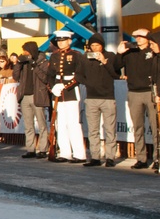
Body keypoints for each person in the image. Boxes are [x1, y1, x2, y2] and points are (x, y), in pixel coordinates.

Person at [116, 28, 160, 169]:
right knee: (138, 127)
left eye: (141, 36)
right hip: (134, 92)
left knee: (155, 126)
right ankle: (141, 158)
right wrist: (119, 53)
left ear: (148, 38)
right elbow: (115, 67)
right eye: (136, 36)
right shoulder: (130, 52)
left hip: (150, 91)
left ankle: (157, 158)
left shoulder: (153, 51)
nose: (138, 38)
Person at [46, 29, 86, 164]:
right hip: (57, 92)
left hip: (70, 92)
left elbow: (79, 75)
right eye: (59, 41)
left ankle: (79, 154)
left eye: (63, 41)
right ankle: (65, 152)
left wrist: (66, 86)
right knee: (60, 124)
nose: (61, 43)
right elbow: (50, 75)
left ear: (69, 41)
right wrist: (52, 88)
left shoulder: (76, 55)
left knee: (73, 123)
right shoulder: (54, 56)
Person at [81, 32, 120, 167]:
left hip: (107, 97)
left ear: (102, 46)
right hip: (91, 97)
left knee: (110, 128)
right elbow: (79, 74)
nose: (95, 48)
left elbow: (115, 74)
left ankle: (110, 157)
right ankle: (95, 157)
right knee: (93, 129)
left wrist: (104, 61)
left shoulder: (110, 56)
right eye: (92, 45)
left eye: (97, 45)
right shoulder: (85, 57)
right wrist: (88, 83)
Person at [13, 41, 50, 158]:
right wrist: (18, 63)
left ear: (32, 51)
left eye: (26, 51)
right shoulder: (23, 62)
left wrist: (34, 65)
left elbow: (45, 78)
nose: (24, 53)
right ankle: (30, 149)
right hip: (25, 96)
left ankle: (43, 149)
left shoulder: (42, 60)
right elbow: (15, 76)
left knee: (42, 124)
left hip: (37, 95)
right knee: (28, 125)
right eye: (23, 51)